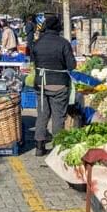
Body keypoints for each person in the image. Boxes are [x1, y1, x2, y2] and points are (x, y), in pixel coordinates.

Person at [31, 15, 76, 156]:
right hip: (59, 85)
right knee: (58, 116)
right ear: (58, 28)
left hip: (41, 84)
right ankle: (57, 147)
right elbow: (71, 65)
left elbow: (34, 61)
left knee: (42, 114)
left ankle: (39, 145)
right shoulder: (63, 43)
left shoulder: (37, 43)